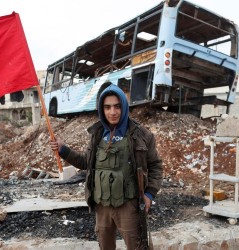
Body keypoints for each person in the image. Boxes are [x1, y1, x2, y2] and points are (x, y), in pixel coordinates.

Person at [49, 84, 163, 249]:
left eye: (117, 106)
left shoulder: (142, 135)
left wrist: (149, 194)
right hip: (102, 207)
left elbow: (156, 166)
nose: (113, 112)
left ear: (124, 106)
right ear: (102, 109)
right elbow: (85, 162)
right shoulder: (97, 134)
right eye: (107, 107)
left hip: (129, 206)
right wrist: (63, 150)